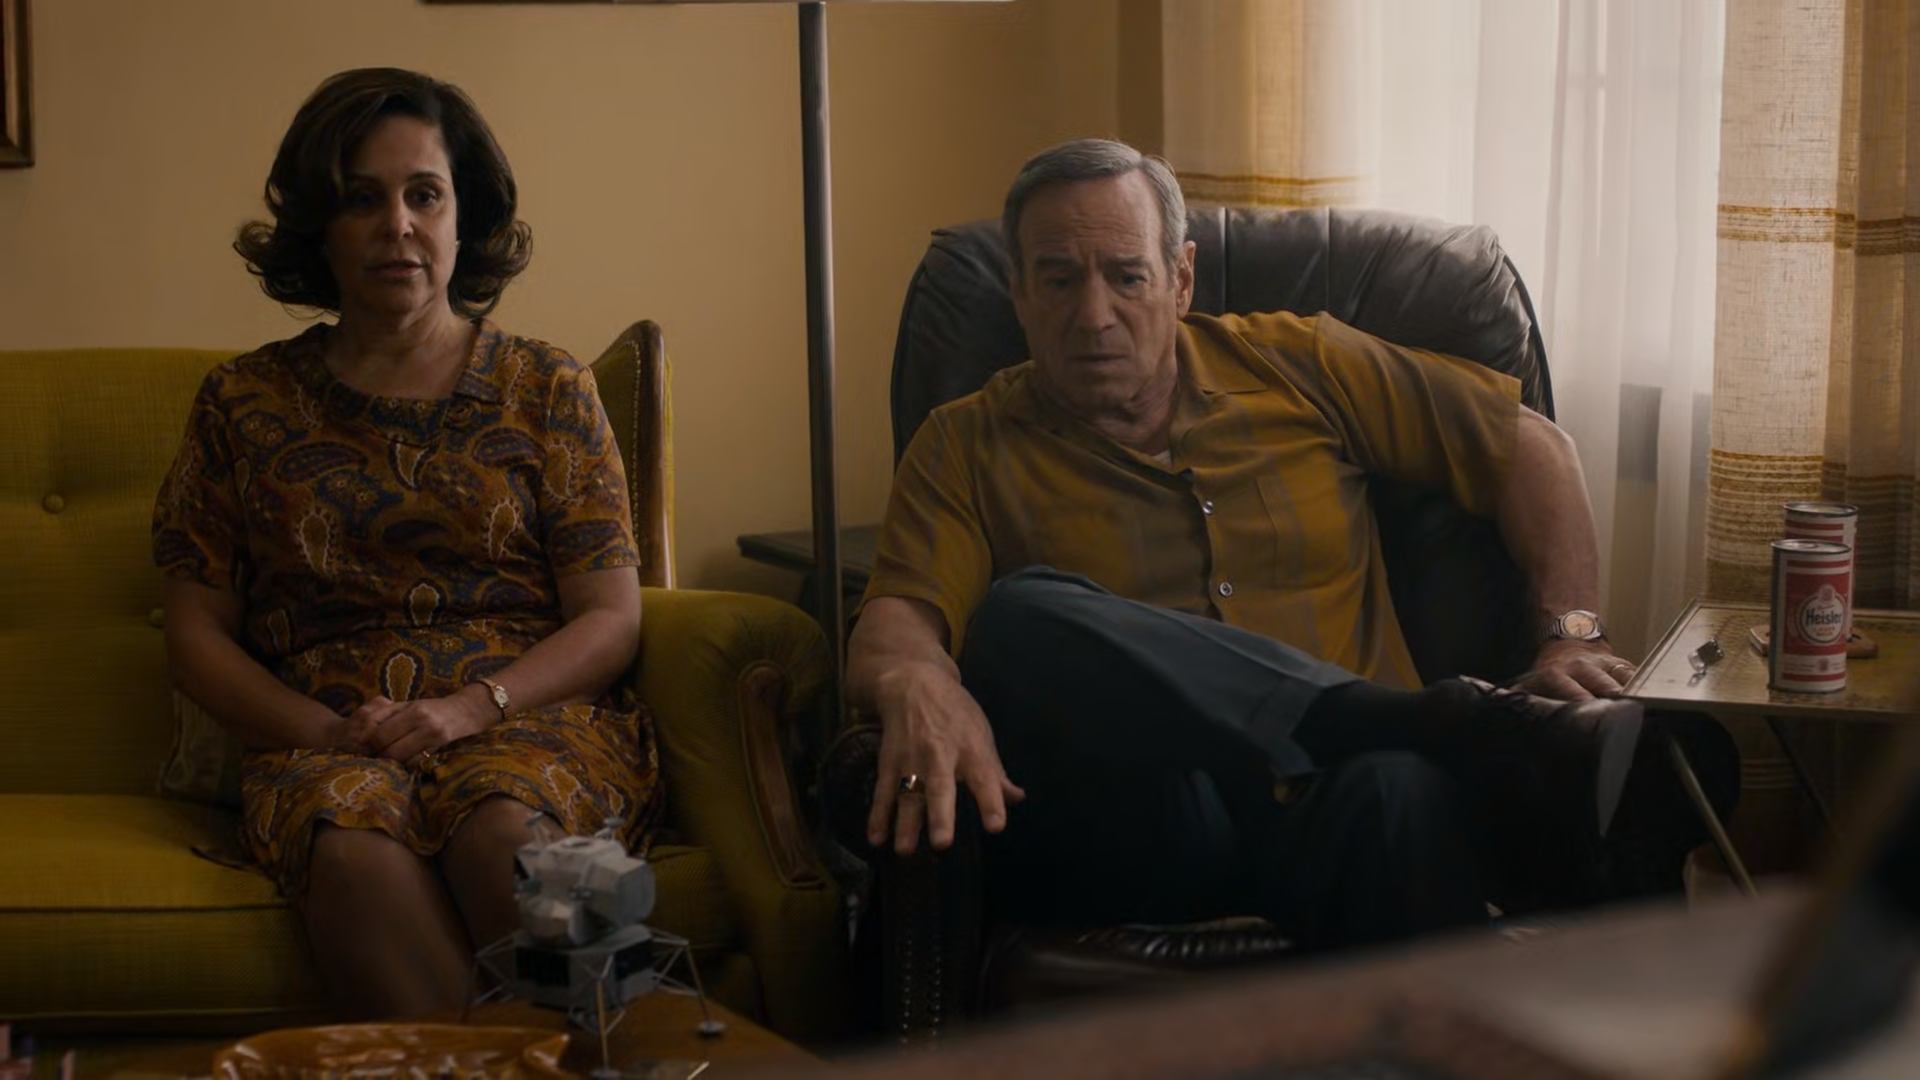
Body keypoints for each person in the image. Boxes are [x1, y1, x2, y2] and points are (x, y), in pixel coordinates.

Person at [849, 138, 1734, 947]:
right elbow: (894, 629)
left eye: (1126, 277)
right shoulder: (965, 441)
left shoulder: (1297, 363)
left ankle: (1394, 752)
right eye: (1057, 281)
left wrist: (1570, 632)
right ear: (1017, 291)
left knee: (1400, 789)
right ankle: (1429, 720)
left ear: (1180, 279)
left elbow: (1529, 448)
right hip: (1146, 818)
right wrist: (916, 682)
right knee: (1018, 616)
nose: (1093, 315)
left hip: (1342, 799)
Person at [152, 68, 660, 1017]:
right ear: (320, 227)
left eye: (424, 194)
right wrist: (327, 733)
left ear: (463, 219)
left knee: (500, 825)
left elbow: (611, 619)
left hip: (525, 721)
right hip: (326, 740)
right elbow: (193, 636)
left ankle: (597, 1052)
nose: (398, 225)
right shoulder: (241, 404)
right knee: (352, 847)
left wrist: (470, 708)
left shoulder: (548, 388)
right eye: (362, 199)